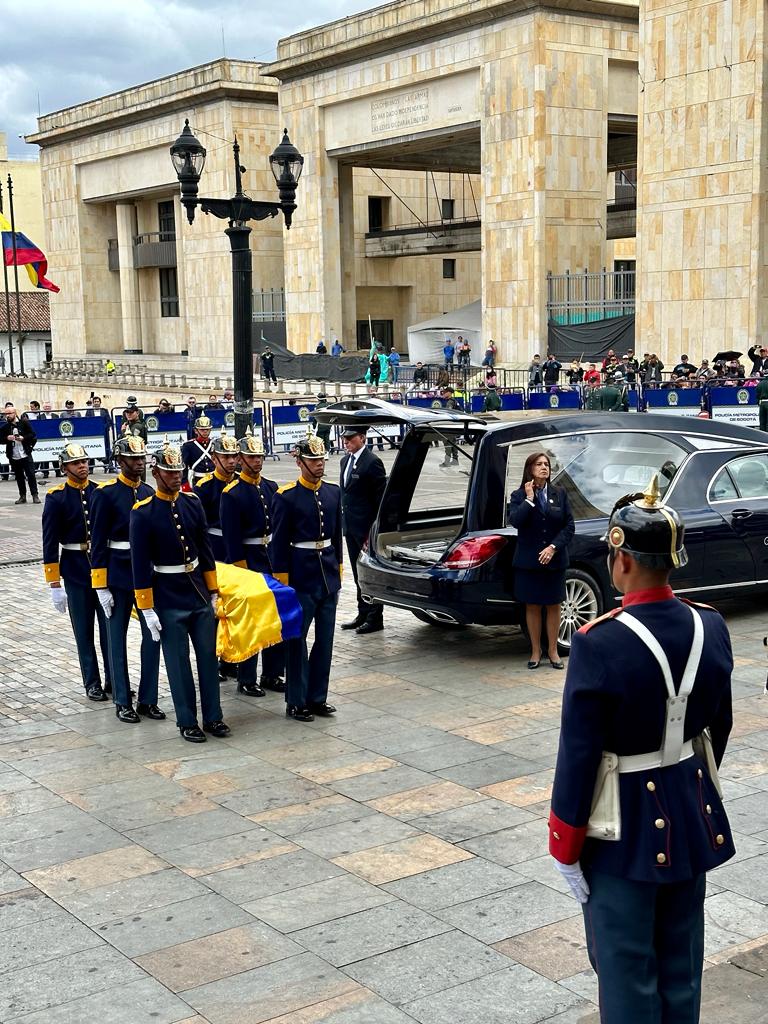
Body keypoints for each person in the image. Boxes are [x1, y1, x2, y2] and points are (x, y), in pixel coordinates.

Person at [548, 480, 734, 1024]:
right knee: (682, 969)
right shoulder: (712, 626)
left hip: (622, 833)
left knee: (627, 975)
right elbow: (715, 730)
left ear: (621, 561)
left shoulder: (598, 641)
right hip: (691, 814)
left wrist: (565, 841)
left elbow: (579, 754)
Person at [130, 440, 230, 743]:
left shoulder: (192, 502)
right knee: (178, 663)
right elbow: (139, 563)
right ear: (156, 473)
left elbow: (205, 550)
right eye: (169, 472)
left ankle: (214, 717)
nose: (176, 476)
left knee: (208, 660)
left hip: (197, 592)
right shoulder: (143, 512)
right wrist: (146, 607)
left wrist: (213, 591)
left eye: (178, 471)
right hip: (167, 595)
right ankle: (187, 720)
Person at [90, 434, 162, 723]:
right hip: (118, 575)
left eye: (141, 458)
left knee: (153, 637)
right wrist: (100, 585)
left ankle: (148, 699)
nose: (138, 464)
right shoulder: (106, 494)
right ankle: (122, 699)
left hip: (146, 574)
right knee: (115, 638)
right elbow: (97, 541)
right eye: (132, 459)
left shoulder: (147, 492)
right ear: (120, 461)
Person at [271, 434, 342, 722]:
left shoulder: (333, 492)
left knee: (325, 639)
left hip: (326, 574)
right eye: (313, 460)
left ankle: (317, 697)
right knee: (297, 640)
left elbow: (336, 534)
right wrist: (283, 583)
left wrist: (338, 569)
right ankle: (296, 700)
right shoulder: (286, 497)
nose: (319, 464)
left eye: (322, 459)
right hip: (300, 575)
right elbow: (278, 544)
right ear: (299, 461)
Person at [42, 443, 112, 701]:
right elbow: (49, 541)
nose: (82, 466)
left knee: (109, 629)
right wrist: (54, 583)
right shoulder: (56, 496)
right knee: (84, 631)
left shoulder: (99, 491)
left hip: (102, 567)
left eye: (84, 461)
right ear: (64, 468)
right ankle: (91, 682)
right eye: (75, 463)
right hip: (74, 568)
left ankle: (113, 679)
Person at [221, 429, 285, 695]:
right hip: (249, 561)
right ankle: (247, 678)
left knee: (275, 617)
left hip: (270, 558)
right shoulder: (232, 493)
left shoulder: (270, 487)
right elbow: (232, 539)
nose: (257, 461)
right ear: (240, 459)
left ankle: (272, 673)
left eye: (259, 456)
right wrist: (242, 571)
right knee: (249, 622)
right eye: (251, 456)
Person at [507, 451, 575, 669]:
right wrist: (529, 500)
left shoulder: (560, 493)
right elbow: (516, 521)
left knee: (554, 605)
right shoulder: (518, 495)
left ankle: (553, 651)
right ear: (530, 469)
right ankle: (536, 651)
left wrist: (553, 547)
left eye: (546, 464)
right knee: (533, 606)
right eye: (539, 464)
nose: (544, 467)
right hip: (529, 561)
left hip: (554, 559)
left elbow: (569, 526)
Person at [195, 428, 240, 683]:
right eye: (226, 457)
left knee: (234, 607)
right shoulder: (205, 486)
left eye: (234, 456)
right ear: (215, 459)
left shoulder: (240, 483)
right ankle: (212, 657)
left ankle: (230, 659)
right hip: (215, 548)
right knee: (213, 608)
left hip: (236, 551)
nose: (232, 461)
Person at [339, 427, 387, 635]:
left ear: (362, 438)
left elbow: (380, 499)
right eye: (344, 438)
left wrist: (376, 528)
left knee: (370, 573)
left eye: (350, 438)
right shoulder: (345, 461)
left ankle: (375, 617)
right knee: (358, 572)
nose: (346, 442)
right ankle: (363, 612)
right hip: (350, 527)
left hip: (367, 528)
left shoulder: (372, 462)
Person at [0, 403, 39, 504]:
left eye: (9, 413)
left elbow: (33, 434)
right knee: (19, 476)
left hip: (25, 453)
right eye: (5, 414)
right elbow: (0, 439)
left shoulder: (24, 423)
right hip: (14, 455)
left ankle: (35, 495)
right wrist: (6, 438)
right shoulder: (5, 427)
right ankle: (22, 496)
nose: (7, 416)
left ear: (14, 413)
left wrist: (23, 438)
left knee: (31, 475)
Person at [181, 416, 215, 488]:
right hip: (198, 480)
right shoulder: (188, 446)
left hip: (214, 481)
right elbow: (184, 466)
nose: (205, 431)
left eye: (207, 429)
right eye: (202, 430)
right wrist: (185, 484)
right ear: (196, 431)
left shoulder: (214, 444)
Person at [86, 395, 112, 471]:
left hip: (104, 434)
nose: (96, 403)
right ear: (93, 403)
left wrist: (103, 428)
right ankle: (91, 468)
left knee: (106, 450)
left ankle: (108, 466)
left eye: (98, 401)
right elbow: (87, 422)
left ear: (100, 402)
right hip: (93, 435)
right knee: (92, 450)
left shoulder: (104, 410)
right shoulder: (89, 411)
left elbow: (109, 421)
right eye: (95, 402)